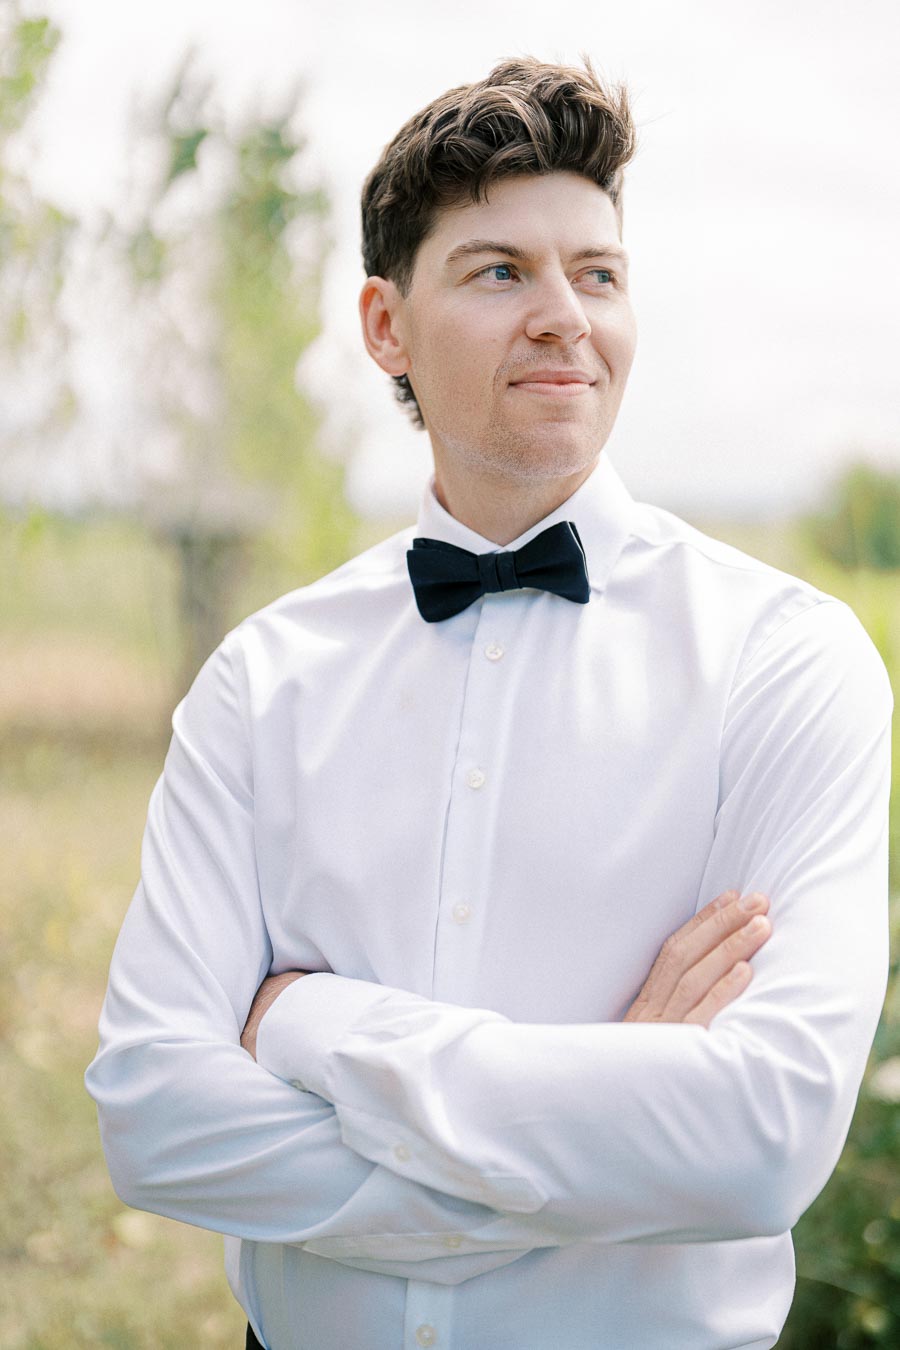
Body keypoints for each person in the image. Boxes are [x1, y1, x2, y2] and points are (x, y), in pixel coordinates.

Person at [86, 57, 893, 1350]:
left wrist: (315, 1024)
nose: (566, 313)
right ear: (385, 325)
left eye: (600, 271)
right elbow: (156, 1118)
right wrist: (615, 1111)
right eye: (501, 270)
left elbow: (759, 1143)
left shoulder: (785, 660)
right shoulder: (262, 677)